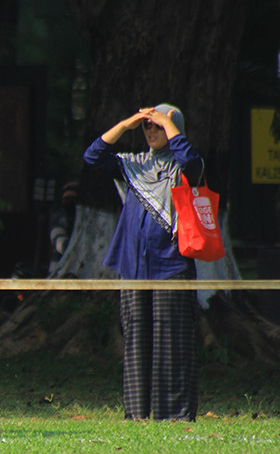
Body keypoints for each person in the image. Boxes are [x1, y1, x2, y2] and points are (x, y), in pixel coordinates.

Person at [83, 104, 203, 421]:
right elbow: (92, 157)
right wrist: (125, 125)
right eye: (148, 128)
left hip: (171, 265)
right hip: (132, 266)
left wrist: (168, 122)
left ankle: (174, 415)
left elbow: (191, 160)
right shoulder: (133, 164)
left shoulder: (184, 164)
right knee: (136, 341)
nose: (151, 132)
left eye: (158, 128)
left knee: (172, 341)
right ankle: (137, 413)